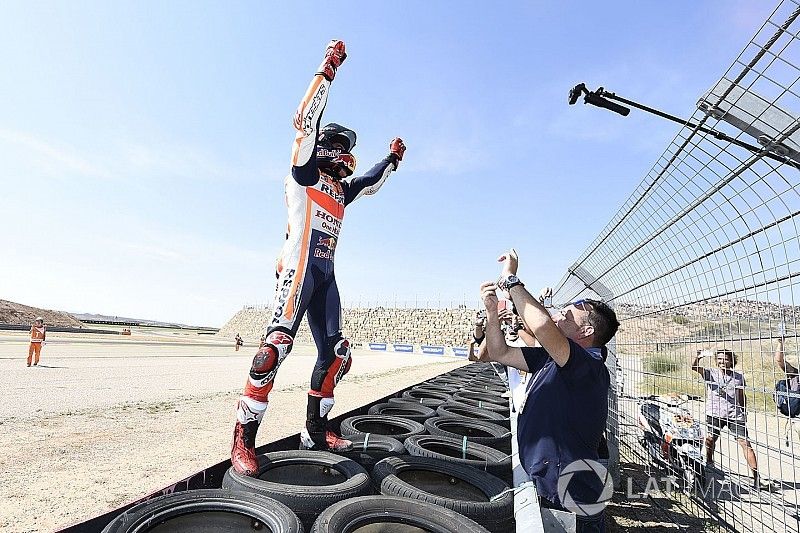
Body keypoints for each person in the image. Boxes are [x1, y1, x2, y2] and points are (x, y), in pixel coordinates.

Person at [230, 39, 407, 476]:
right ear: (327, 147)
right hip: (297, 270)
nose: (348, 154)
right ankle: (243, 439)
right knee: (272, 351)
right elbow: (305, 122)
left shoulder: (342, 191)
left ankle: (316, 427)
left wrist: (394, 158)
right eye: (342, 145)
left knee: (338, 353)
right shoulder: (304, 172)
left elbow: (371, 180)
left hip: (326, 275)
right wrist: (327, 70)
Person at [477, 249, 619, 532]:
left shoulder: (588, 366)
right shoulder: (555, 358)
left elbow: (540, 324)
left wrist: (511, 279)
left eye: (568, 315)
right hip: (554, 490)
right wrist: (492, 314)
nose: (559, 315)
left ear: (586, 331)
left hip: (571, 498)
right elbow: (499, 352)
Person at [690, 348, 770, 490]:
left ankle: (757, 477)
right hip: (714, 413)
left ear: (732, 361)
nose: (722, 361)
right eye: (720, 358)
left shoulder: (738, 377)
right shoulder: (711, 373)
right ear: (716, 360)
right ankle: (709, 462)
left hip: (734, 415)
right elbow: (695, 368)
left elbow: (741, 395)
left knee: (746, 443)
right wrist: (699, 357)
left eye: (726, 359)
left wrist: (743, 411)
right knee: (710, 439)